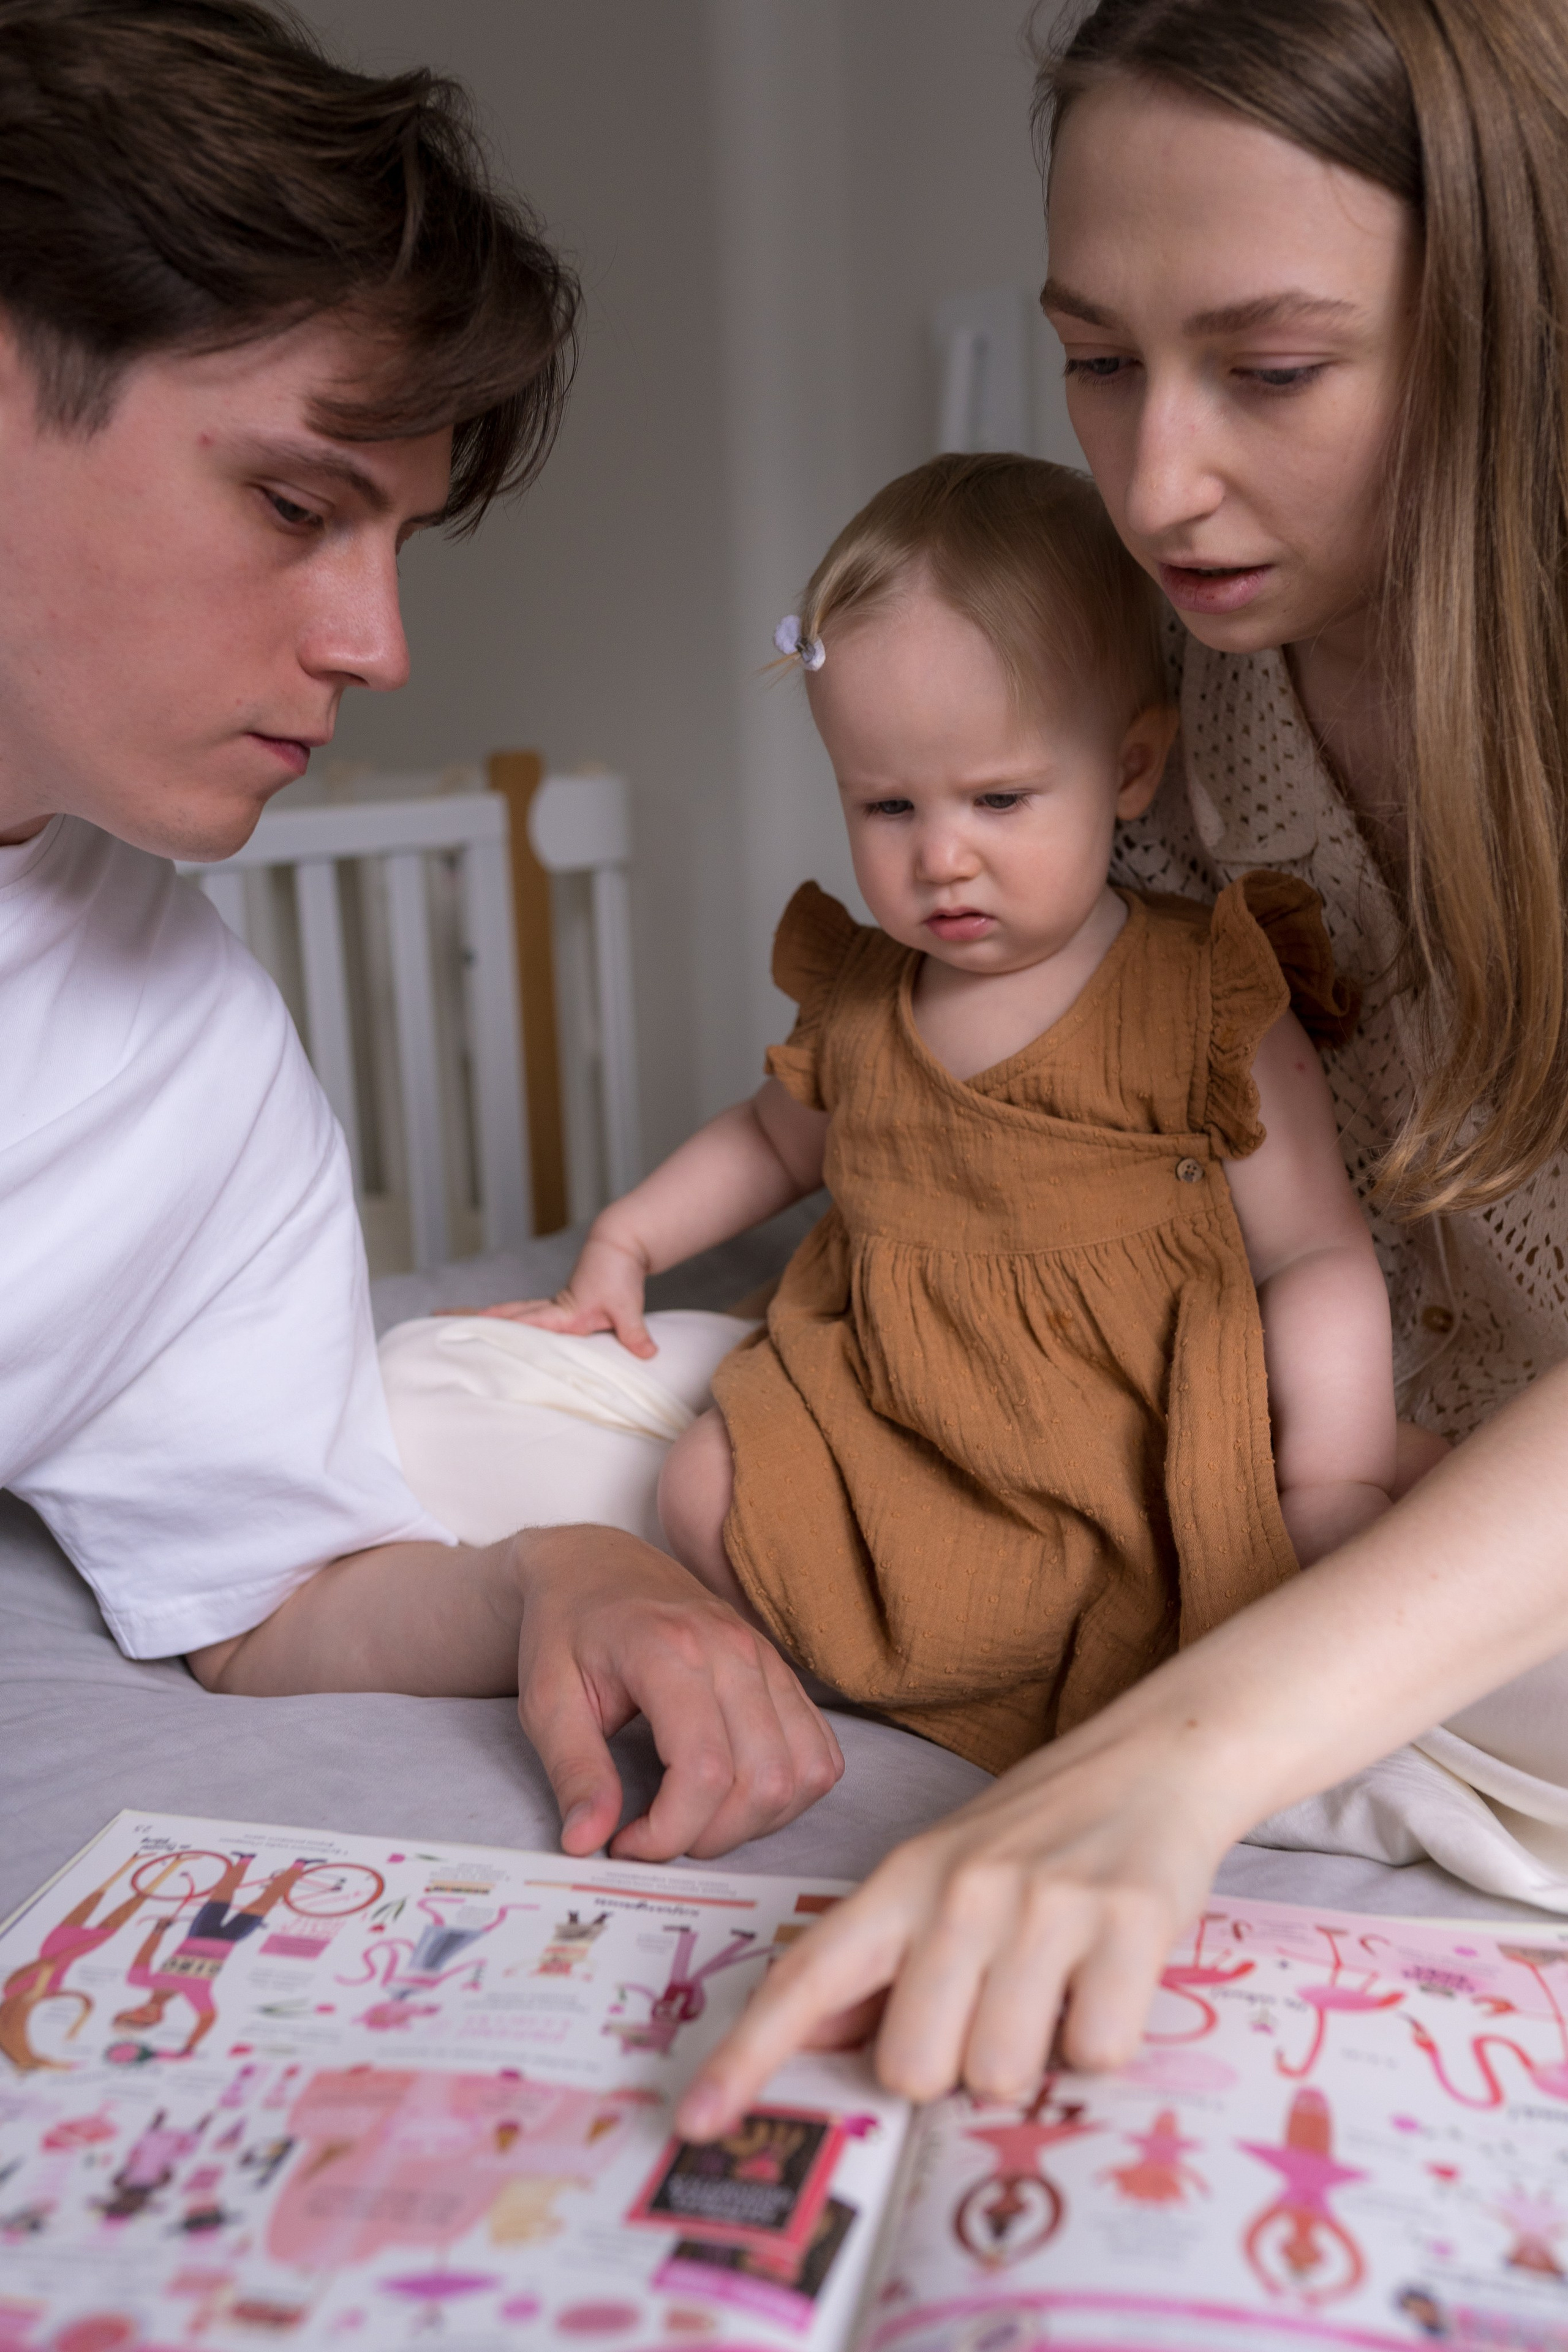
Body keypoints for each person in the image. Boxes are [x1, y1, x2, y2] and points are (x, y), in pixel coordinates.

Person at [668, 0, 1568, 2140]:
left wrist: (1169, 1764)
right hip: (1245, 1479)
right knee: (531, 1415)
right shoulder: (1148, 681)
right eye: (1096, 357)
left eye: (1269, 369)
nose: (1155, 484)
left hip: (1472, 1557)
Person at [0, 0, 843, 1870]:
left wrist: (562, 1569)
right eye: (296, 505)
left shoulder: (183, 1058)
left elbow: (264, 1589)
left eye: (396, 539)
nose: (378, 648)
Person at [496, 451, 1393, 1775]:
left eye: (997, 799)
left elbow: (1313, 1248)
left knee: (1209, 1583)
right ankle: (825, 1653)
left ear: (1128, 768)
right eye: (887, 806)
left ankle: (1053, 1670)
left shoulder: (1196, 993)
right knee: (696, 1481)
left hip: (1115, 1432)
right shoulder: (868, 1002)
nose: (940, 857)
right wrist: (628, 1239)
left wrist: (1331, 1478)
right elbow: (767, 1139)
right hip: (898, 1398)